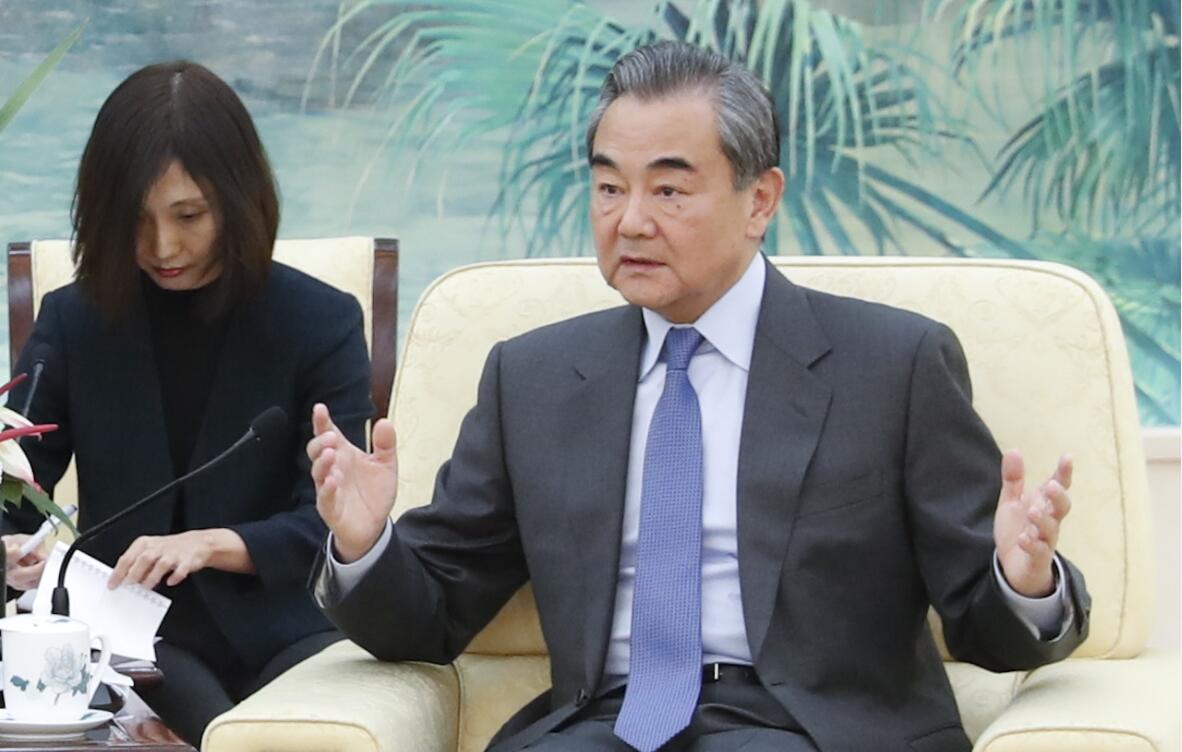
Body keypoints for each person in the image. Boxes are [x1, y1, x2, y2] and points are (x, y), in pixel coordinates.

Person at [306, 42, 1090, 752]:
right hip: (602, 725)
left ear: (760, 200)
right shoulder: (533, 378)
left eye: (669, 190)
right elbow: (435, 610)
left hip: (808, 730)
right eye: (608, 187)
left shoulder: (892, 366)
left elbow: (986, 627)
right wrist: (364, 544)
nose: (630, 221)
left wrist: (1023, 580)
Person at [2, 60, 373, 746]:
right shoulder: (74, 321)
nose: (162, 247)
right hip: (134, 635)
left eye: (189, 215)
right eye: (136, 219)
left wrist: (212, 545)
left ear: (239, 199)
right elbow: (16, 490)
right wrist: (10, 551)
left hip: (289, 626)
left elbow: (331, 524)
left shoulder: (322, 322)